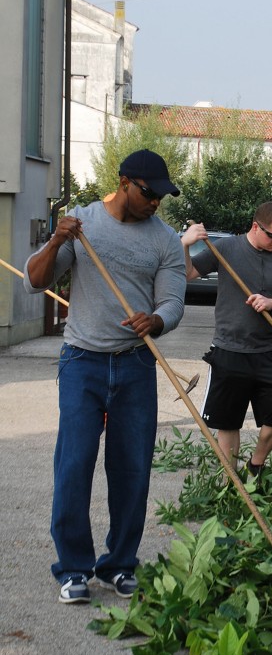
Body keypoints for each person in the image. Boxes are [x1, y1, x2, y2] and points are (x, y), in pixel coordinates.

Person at [24, 149, 186, 604]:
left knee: (132, 469)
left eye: (161, 196)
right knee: (73, 465)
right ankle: (73, 568)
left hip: (135, 365)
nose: (156, 203)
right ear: (125, 182)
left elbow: (172, 301)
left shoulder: (165, 240)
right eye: (149, 193)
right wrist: (56, 242)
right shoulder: (81, 224)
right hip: (83, 362)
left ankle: (119, 564)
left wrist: (154, 320)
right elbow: (34, 282)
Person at [182, 202, 272, 479]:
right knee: (227, 422)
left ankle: (256, 465)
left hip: (270, 351)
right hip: (229, 350)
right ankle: (232, 482)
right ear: (255, 226)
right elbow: (187, 274)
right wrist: (185, 244)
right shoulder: (226, 249)